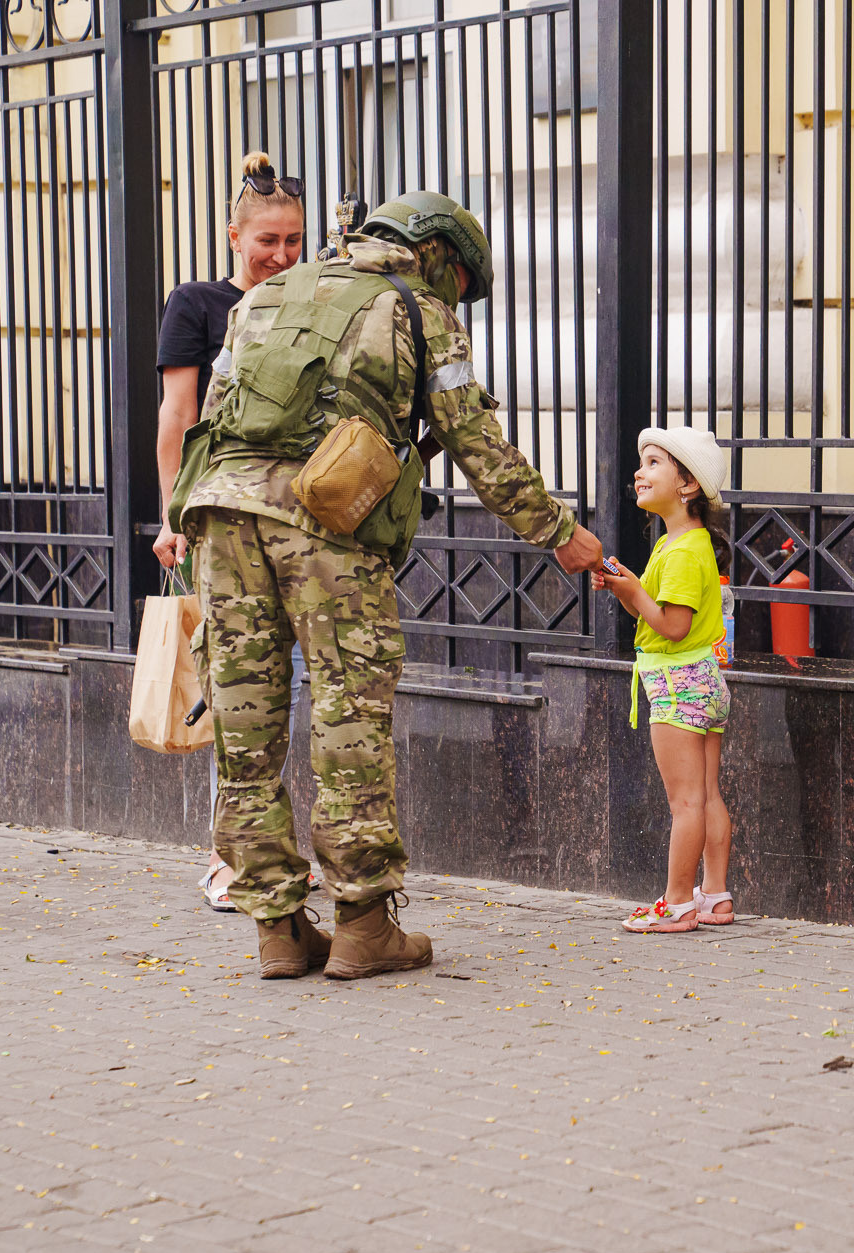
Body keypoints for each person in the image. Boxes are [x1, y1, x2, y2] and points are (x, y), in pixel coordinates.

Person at [171, 189, 606, 979]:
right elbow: (474, 438)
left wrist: (185, 517)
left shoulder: (264, 294)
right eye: (460, 283)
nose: (457, 299)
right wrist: (559, 533)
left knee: (245, 721)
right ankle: (364, 921)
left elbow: (212, 415)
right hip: (322, 525)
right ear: (436, 253)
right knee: (347, 712)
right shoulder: (417, 307)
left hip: (221, 516)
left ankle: (275, 925)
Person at [150, 150, 310, 912]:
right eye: (267, 241)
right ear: (233, 236)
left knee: (305, 693)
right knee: (239, 691)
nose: (281, 256)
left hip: (304, 523)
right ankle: (231, 857)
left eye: (293, 241)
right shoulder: (198, 306)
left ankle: (287, 851)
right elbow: (178, 417)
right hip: (221, 522)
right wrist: (174, 515)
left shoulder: (314, 299)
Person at [592, 427, 736, 934]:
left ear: (688, 485)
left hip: (677, 684)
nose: (639, 471)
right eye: (642, 462)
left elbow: (670, 627)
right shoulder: (682, 544)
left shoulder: (678, 552)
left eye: (654, 462)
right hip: (705, 678)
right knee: (708, 794)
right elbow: (663, 615)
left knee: (686, 802)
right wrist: (626, 587)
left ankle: (676, 903)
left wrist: (631, 589)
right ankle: (715, 896)